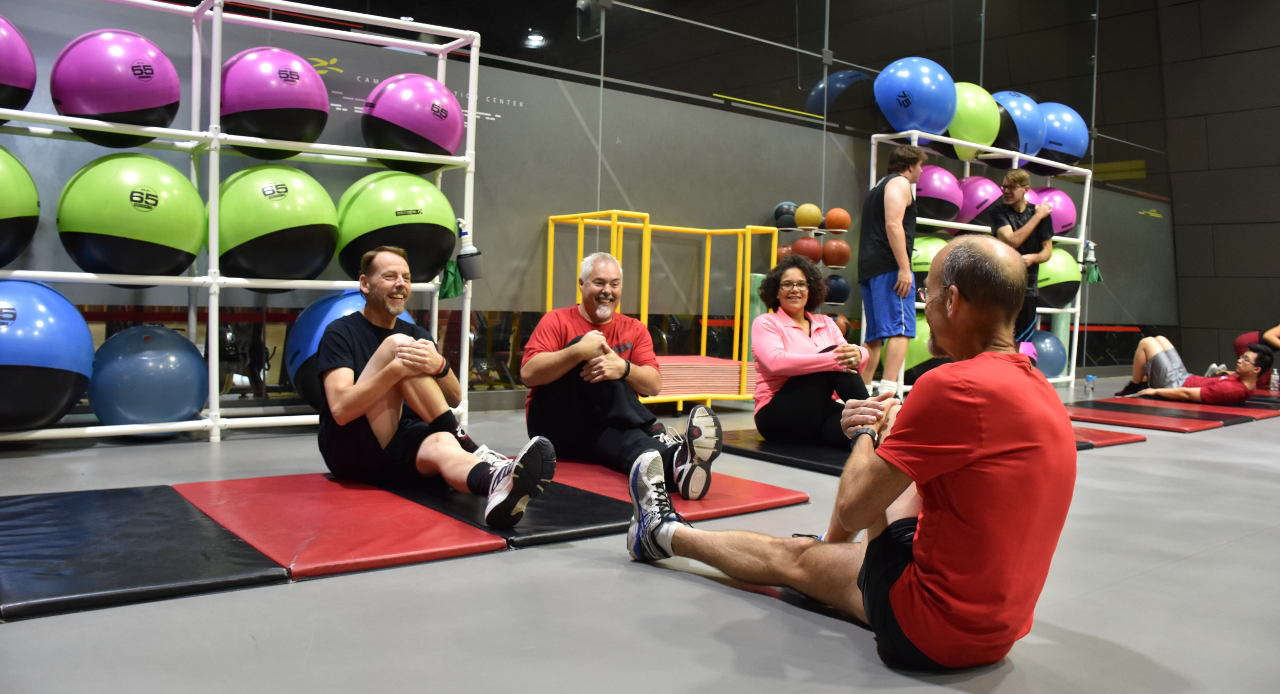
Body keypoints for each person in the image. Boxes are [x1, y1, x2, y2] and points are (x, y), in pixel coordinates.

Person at [626, 235, 1077, 671]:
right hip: (1000, 631)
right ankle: (830, 551)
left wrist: (866, 430)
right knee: (901, 487)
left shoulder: (952, 386)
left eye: (930, 294)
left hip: (929, 630)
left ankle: (661, 533)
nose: (926, 303)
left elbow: (854, 508)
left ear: (953, 302)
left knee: (794, 558)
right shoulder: (1042, 390)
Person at [316, 246, 556, 528]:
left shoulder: (416, 334)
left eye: (405, 277)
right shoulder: (340, 332)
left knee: (444, 443)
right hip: (351, 448)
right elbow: (342, 411)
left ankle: (495, 484)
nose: (400, 284)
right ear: (365, 284)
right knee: (399, 348)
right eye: (389, 276)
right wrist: (395, 370)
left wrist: (439, 364)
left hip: (399, 444)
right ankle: (473, 448)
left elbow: (454, 397)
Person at [520, 252, 722, 500]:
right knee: (590, 350)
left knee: (632, 444)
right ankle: (651, 426)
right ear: (581, 285)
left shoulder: (634, 328)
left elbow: (654, 385)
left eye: (614, 284)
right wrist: (576, 352)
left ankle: (678, 467)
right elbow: (528, 374)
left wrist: (623, 368)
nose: (607, 290)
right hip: (554, 427)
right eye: (599, 283)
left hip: (605, 423)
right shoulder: (557, 320)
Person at [752, 254, 870, 448]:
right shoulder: (766, 322)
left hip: (817, 412)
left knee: (861, 430)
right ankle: (874, 412)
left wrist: (860, 352)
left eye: (801, 284)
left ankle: (876, 422)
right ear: (776, 291)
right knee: (835, 354)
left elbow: (848, 355)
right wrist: (831, 360)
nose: (795, 290)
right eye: (787, 284)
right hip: (777, 415)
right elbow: (776, 362)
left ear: (810, 289)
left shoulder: (826, 323)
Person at [858, 145, 926, 398]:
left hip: (870, 267)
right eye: (920, 166)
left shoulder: (878, 187)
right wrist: (904, 268)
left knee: (874, 336)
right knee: (902, 329)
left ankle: (862, 393)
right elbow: (893, 223)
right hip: (889, 266)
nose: (921, 171)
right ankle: (888, 394)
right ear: (911, 165)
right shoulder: (899, 184)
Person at [988, 169, 1054, 344]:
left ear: (1025, 189)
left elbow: (1047, 251)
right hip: (1002, 286)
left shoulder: (1042, 215)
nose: (1006, 191)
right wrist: (1038, 216)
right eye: (1004, 187)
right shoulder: (999, 212)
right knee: (998, 340)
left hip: (1028, 289)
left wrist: (1033, 258)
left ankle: (1018, 371)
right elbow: (1012, 241)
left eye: (1012, 187)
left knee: (1022, 343)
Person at [1115, 335, 1272, 405]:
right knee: (1161, 339)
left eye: (1245, 360)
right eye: (1242, 356)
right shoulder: (1249, 380)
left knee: (1147, 342)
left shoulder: (1230, 390)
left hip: (1174, 384)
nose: (1239, 360)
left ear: (1256, 369)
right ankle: (1144, 380)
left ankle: (1135, 385)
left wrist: (1156, 391)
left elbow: (1187, 394)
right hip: (1185, 377)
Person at [1232, 323, 1279, 389]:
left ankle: (1222, 372)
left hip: (1258, 350)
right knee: (1258, 380)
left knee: (1268, 380)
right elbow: (1268, 335)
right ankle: (1222, 375)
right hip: (1249, 343)